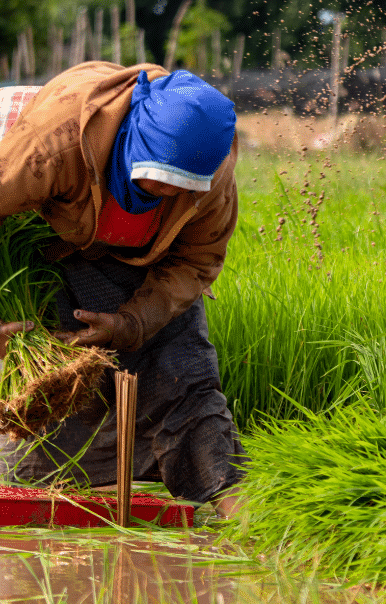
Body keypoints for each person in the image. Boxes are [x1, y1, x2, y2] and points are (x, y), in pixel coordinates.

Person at [0, 61, 244, 515]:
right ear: (133, 138)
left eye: (177, 186)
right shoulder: (52, 145)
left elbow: (196, 261)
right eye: (150, 174)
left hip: (137, 259)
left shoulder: (212, 179)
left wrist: (131, 322)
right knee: (50, 405)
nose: (158, 190)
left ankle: (232, 499)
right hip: (39, 233)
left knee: (182, 371)